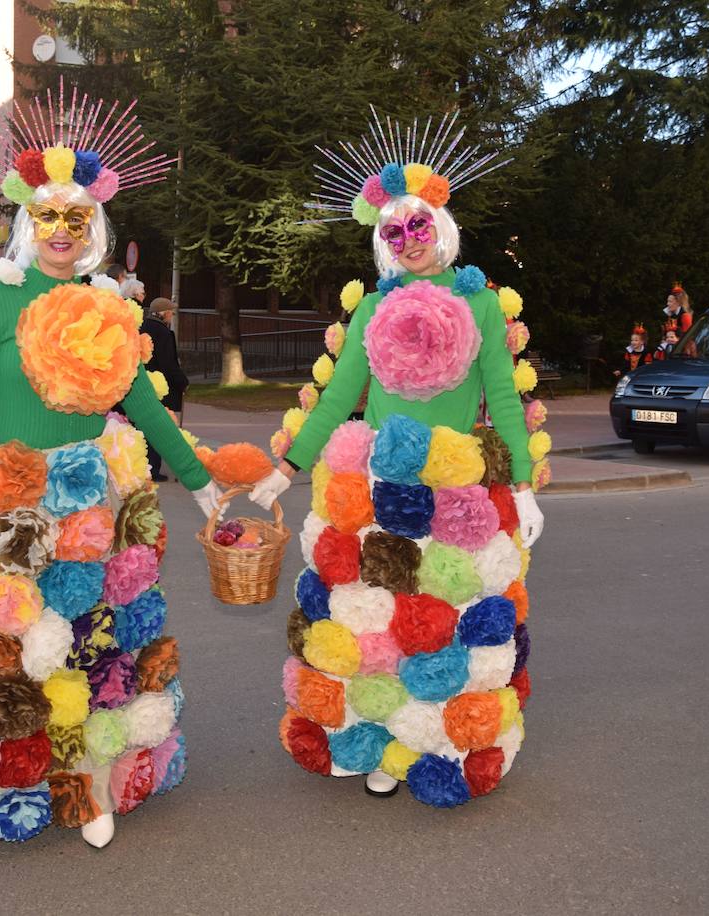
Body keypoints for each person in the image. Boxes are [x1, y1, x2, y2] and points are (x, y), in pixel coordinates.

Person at [0, 81, 223, 850]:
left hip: (90, 499)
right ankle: (18, 778)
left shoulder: (110, 308)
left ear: (95, 226)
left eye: (78, 217)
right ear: (26, 221)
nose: (63, 231)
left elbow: (141, 401)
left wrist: (199, 478)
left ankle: (92, 782)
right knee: (11, 650)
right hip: (7, 505)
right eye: (49, 215)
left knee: (93, 646)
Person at [248, 110, 544, 808]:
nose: (407, 242)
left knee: (446, 617)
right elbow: (337, 398)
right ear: (382, 242)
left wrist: (524, 486)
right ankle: (387, 742)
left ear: (440, 228)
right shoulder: (371, 314)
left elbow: (502, 399)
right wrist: (286, 468)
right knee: (379, 623)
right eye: (392, 231)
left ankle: (441, 740)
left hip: (459, 491)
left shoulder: (480, 305)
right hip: (381, 486)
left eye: (417, 226)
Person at [141, 297, 189, 480]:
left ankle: (146, 465)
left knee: (145, 426)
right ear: (164, 313)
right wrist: (182, 382)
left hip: (144, 384)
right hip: (160, 386)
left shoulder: (142, 327)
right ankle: (153, 469)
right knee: (159, 428)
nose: (172, 316)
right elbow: (169, 364)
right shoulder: (164, 333)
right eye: (171, 312)